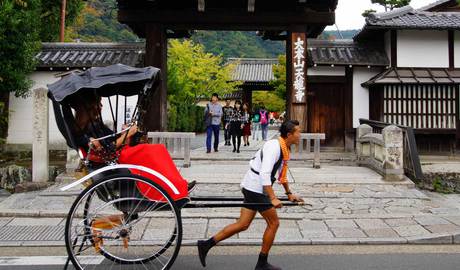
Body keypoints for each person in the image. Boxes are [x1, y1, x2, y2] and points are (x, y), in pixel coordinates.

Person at [197, 120, 304, 270]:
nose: (300, 135)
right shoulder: (274, 147)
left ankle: (206, 244)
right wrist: (272, 198)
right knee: (274, 223)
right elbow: (265, 173)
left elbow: (282, 174)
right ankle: (262, 263)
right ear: (289, 135)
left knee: (243, 224)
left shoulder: (283, 147)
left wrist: (289, 193)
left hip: (253, 186)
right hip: (255, 188)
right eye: (298, 132)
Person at [71, 93, 196, 200]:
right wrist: (127, 134)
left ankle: (178, 185)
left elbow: (113, 138)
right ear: (88, 108)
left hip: (119, 153)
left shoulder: (96, 124)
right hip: (114, 158)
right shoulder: (83, 135)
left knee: (158, 149)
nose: (100, 107)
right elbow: (108, 148)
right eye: (98, 104)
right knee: (154, 151)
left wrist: (124, 132)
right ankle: (173, 189)